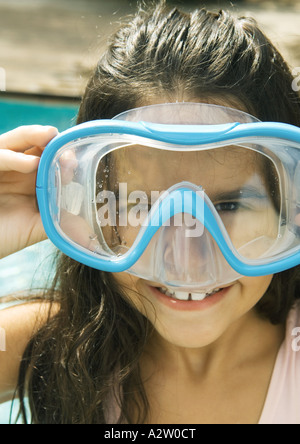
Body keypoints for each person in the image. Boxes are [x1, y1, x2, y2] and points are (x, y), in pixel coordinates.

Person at [0, 1, 300, 424]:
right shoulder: (54, 345)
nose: (187, 260)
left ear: (289, 208)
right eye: (144, 205)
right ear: (93, 208)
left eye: (228, 205)